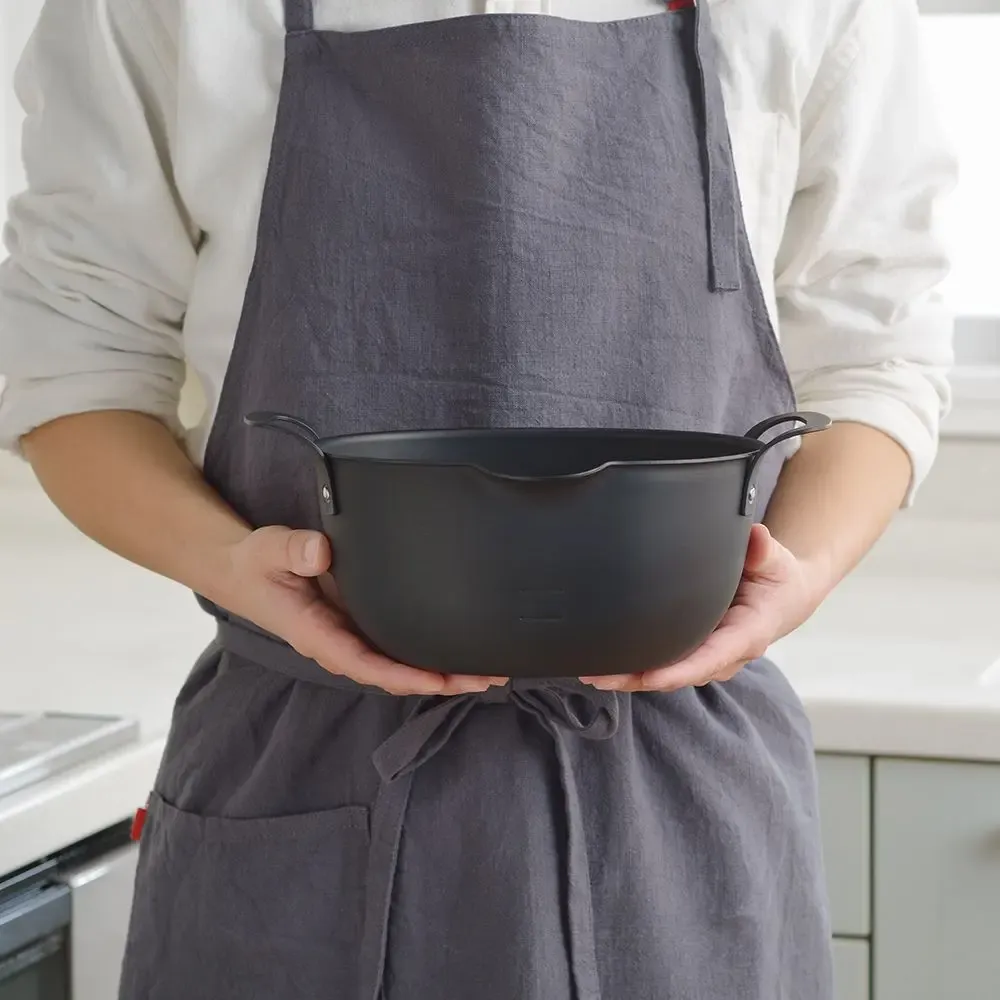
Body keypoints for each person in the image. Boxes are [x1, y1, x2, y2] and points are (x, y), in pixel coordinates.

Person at [0, 0, 955, 997]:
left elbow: (875, 349)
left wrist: (791, 578)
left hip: (682, 797)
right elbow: (77, 369)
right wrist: (228, 565)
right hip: (298, 781)